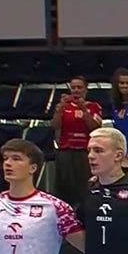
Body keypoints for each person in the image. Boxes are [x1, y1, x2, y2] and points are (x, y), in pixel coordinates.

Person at [50, 76, 102, 205]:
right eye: (73, 88)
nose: (76, 90)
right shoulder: (64, 106)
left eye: (79, 87)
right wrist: (59, 111)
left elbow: (96, 128)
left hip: (85, 151)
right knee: (65, 186)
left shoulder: (94, 106)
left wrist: (84, 110)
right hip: (66, 150)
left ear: (86, 89)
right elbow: (55, 126)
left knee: (84, 186)